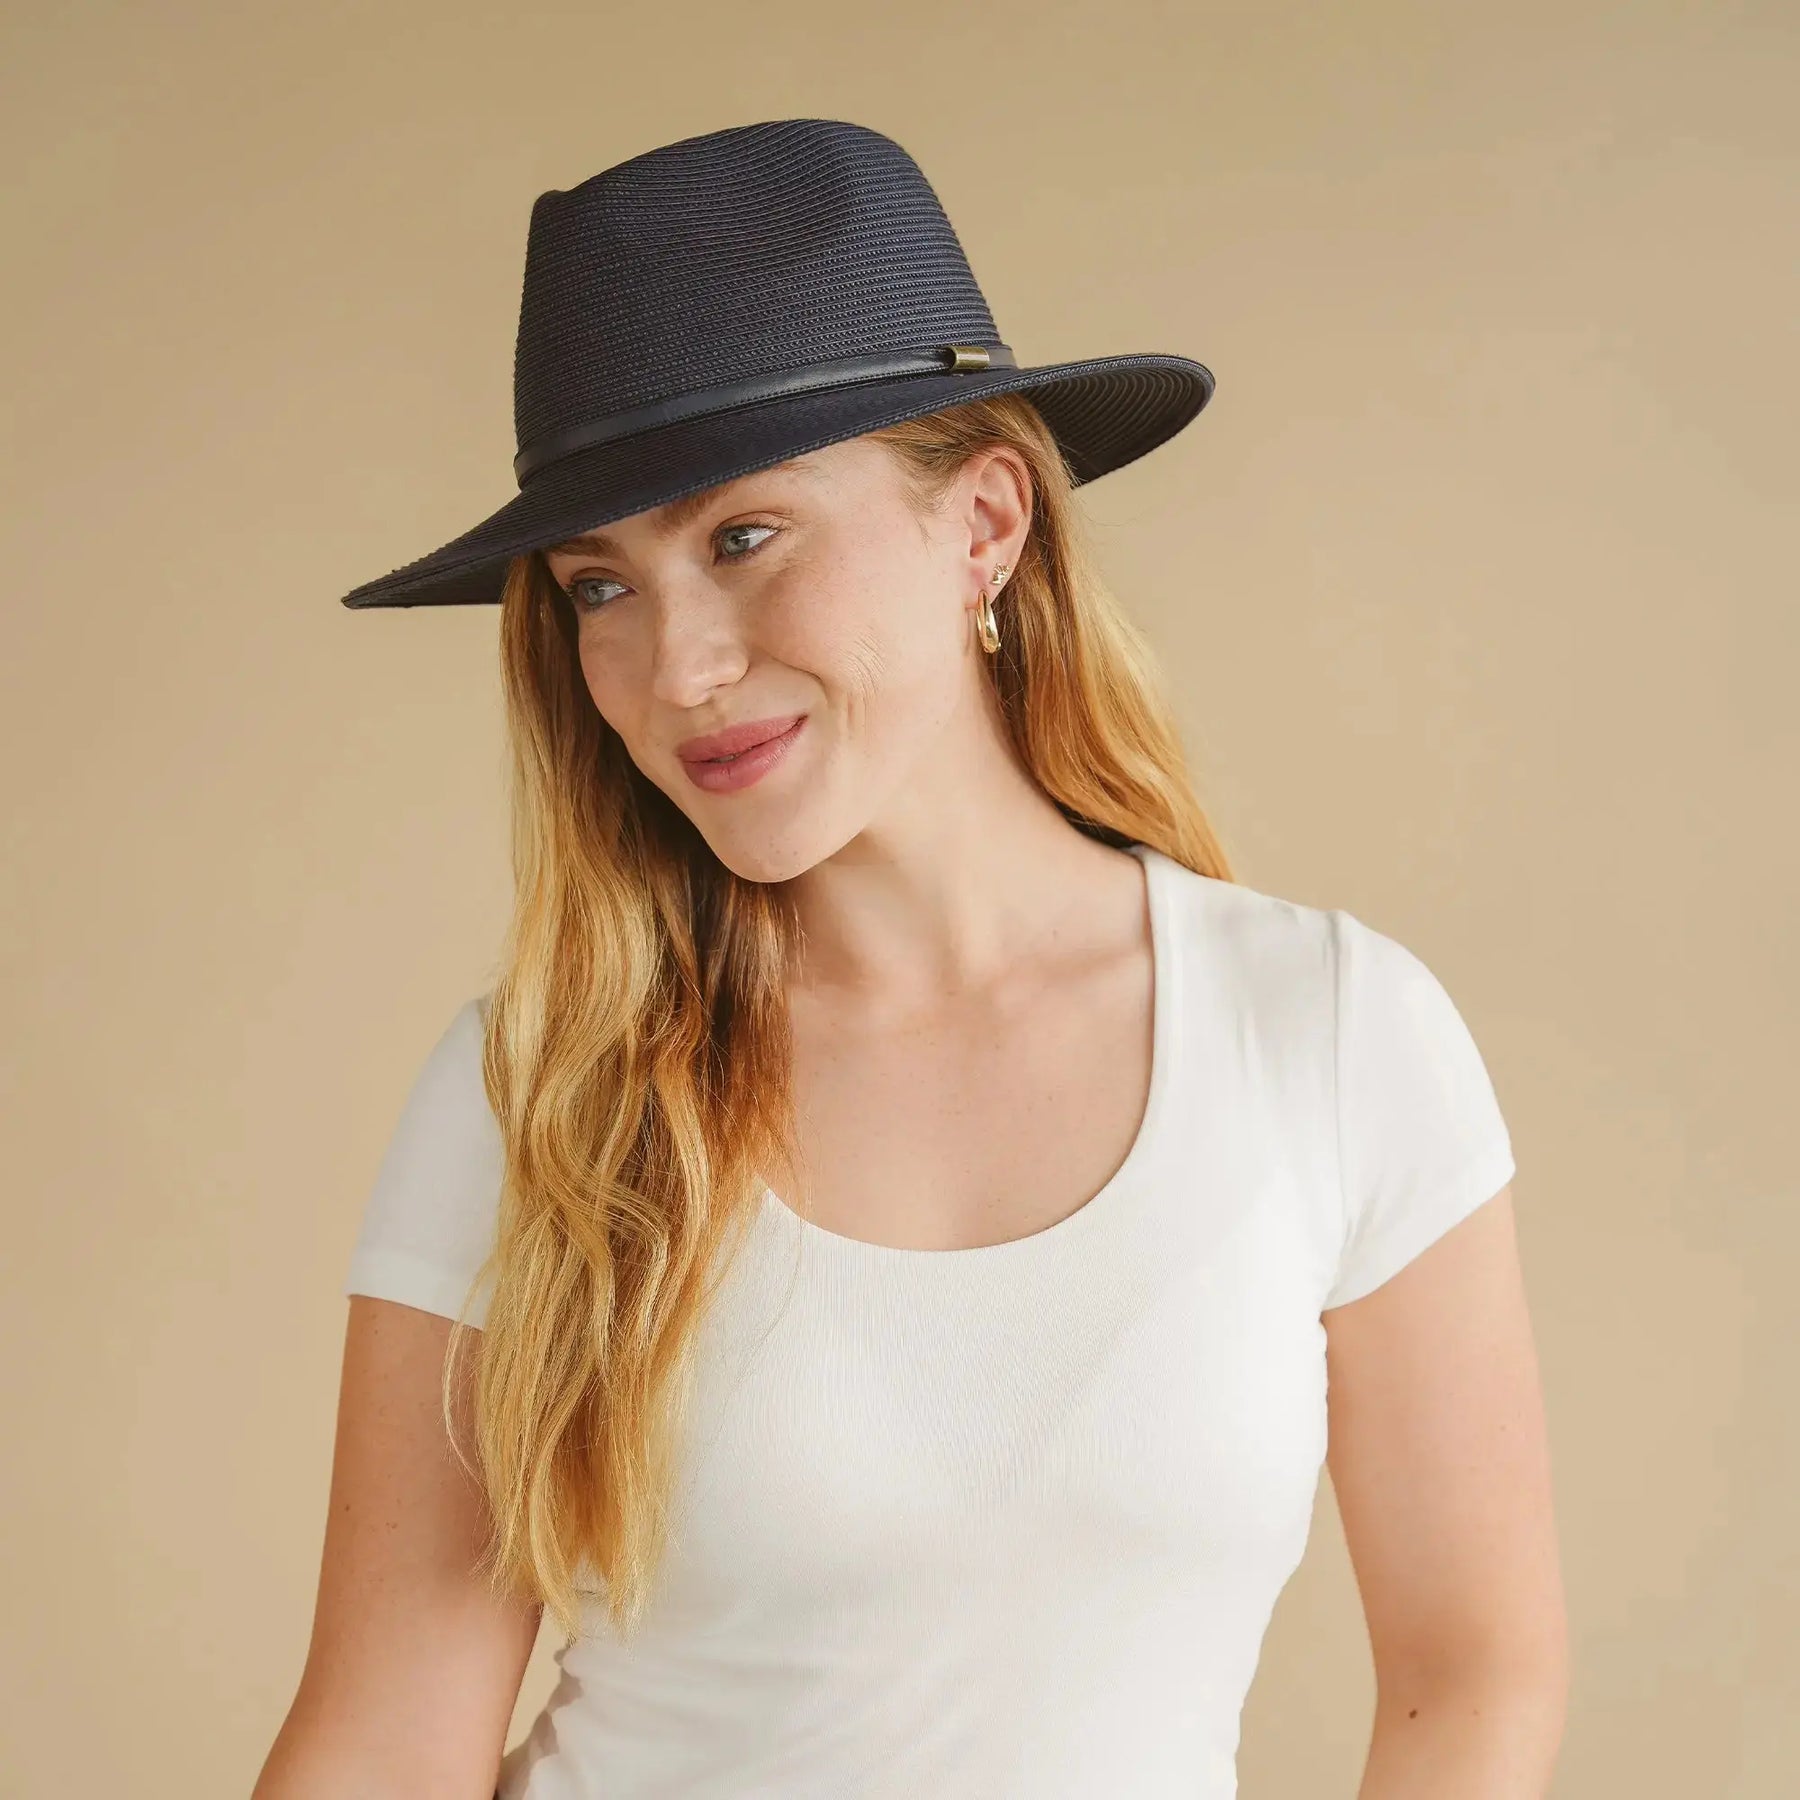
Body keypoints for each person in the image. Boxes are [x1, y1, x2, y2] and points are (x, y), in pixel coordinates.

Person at [255, 119, 1567, 1799]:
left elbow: (1473, 1673)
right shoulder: (544, 1096)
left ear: (986, 525)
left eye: (744, 538)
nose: (678, 667)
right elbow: (383, 1739)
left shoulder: (1326, 1033)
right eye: (599, 588)